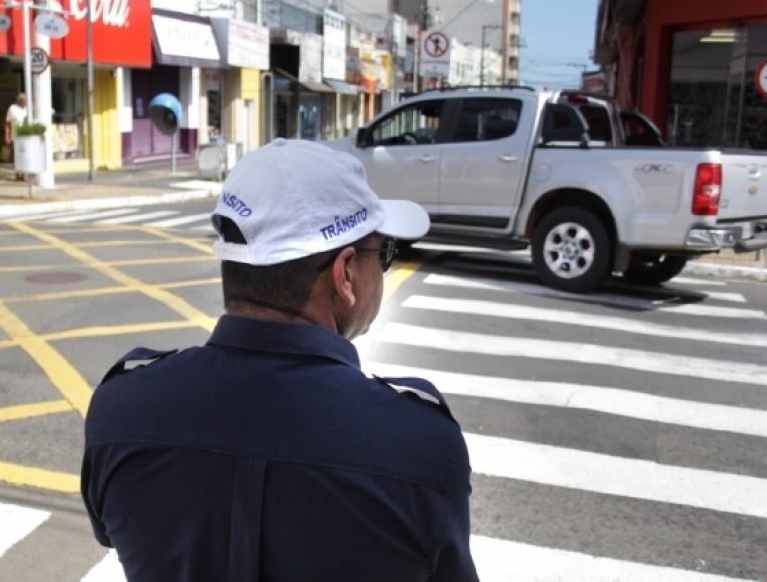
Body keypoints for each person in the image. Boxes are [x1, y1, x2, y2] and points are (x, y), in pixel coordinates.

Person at [81, 139, 481, 582]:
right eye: (383, 253)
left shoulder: (119, 411)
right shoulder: (421, 445)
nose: (383, 269)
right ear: (345, 273)